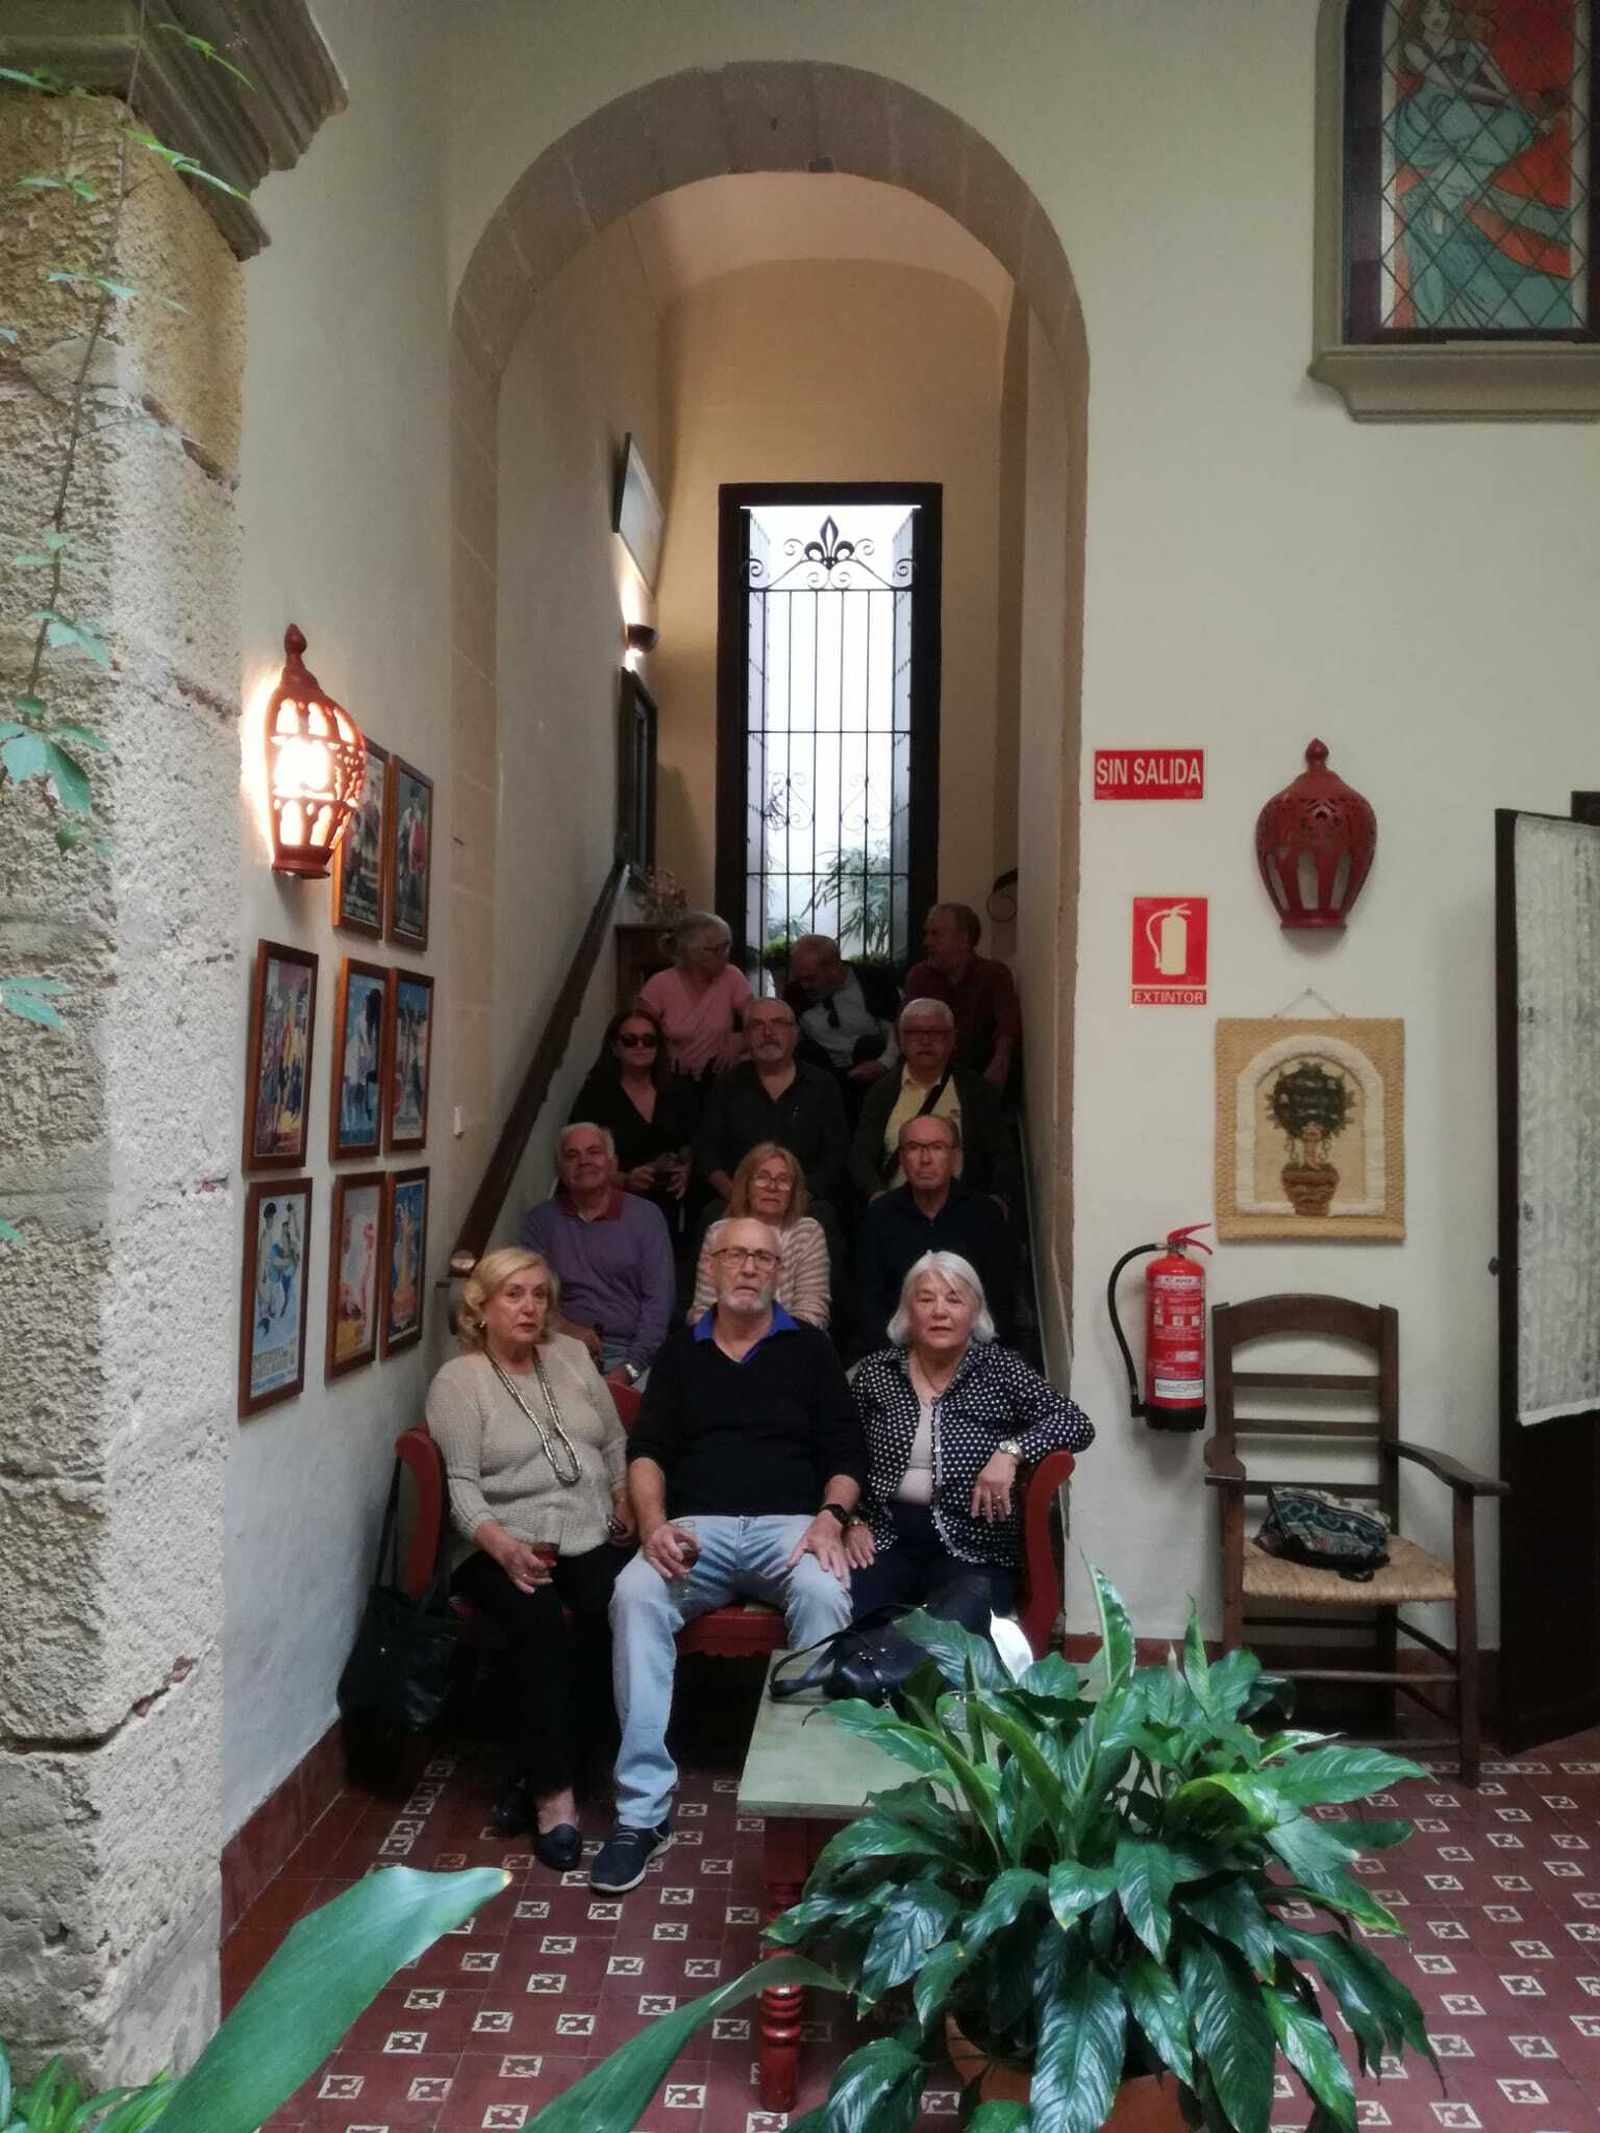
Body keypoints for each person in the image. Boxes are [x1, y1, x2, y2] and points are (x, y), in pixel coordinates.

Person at [594, 1217, 866, 1891]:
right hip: (696, 1529)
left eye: (762, 1257)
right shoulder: (682, 1354)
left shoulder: (809, 1348)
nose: (748, 1267)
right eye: (735, 1254)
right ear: (711, 1265)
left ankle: (811, 1793)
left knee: (827, 1592)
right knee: (633, 1595)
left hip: (790, 1527)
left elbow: (846, 1453)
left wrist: (831, 1519)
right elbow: (648, 1449)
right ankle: (643, 1810)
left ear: (779, 1270)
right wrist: (654, 1523)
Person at [425, 1247, 635, 1868]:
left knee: (618, 1606)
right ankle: (554, 1798)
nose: (529, 1307)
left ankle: (554, 1761)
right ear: (480, 1307)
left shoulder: (570, 1358)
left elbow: (617, 1440)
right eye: (513, 1294)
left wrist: (622, 1495)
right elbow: (460, 1486)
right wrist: (503, 1546)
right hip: (497, 1539)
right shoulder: (459, 1381)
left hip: (588, 1528)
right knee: (538, 1621)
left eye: (539, 1295)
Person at [846, 1251, 1093, 1623]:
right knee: (857, 1615)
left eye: (954, 1299)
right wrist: (850, 1521)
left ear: (975, 1313)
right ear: (906, 1313)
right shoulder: (875, 1373)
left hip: (973, 1545)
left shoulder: (1000, 1369)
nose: (939, 1311)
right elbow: (842, 1450)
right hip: (885, 1538)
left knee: (959, 1624)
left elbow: (1075, 1422)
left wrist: (1010, 1452)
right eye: (925, 1299)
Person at [519, 1122, 674, 1386]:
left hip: (632, 1354)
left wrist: (630, 1369)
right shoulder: (540, 1220)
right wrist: (565, 1328)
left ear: (613, 1164)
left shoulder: (646, 1217)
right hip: (558, 1346)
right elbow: (526, 1295)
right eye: (572, 1155)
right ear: (561, 1171)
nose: (584, 1161)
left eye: (594, 1152)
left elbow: (658, 1306)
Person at [858, 1115, 1016, 1351]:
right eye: (913, 1148)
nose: (925, 1159)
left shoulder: (984, 1215)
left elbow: (1000, 1298)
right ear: (901, 1158)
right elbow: (869, 1300)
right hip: (897, 1355)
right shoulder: (880, 1215)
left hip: (974, 1355)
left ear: (955, 1156)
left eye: (937, 1147)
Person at [849, 998, 1017, 1207]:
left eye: (936, 1033)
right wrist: (876, 1195)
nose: (925, 1041)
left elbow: (1002, 1153)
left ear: (952, 1039)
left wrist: (998, 1199)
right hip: (897, 1211)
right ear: (900, 1040)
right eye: (914, 1033)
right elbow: (861, 1155)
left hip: (962, 1211)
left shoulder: (974, 1089)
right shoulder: (882, 1091)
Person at [692, 996, 848, 1214]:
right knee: (710, 1216)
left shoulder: (822, 1085)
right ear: (745, 1037)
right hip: (738, 1201)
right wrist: (732, 1192)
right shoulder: (728, 1084)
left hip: (805, 1202)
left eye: (778, 1023)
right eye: (757, 1025)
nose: (768, 1032)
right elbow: (706, 1150)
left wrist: (801, 1196)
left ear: (795, 1034)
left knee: (825, 1218)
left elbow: (836, 1154)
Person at [568, 1006, 698, 1224]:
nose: (640, 1045)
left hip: (671, 1199)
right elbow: (577, 1154)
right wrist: (624, 1179)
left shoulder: (677, 1089)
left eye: (649, 1040)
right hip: (615, 1202)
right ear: (615, 1047)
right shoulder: (597, 1094)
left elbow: (692, 1139)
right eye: (630, 1039)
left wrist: (686, 1168)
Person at [688, 1141, 829, 1330]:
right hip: (725, 1346)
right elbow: (703, 1310)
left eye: (783, 1180)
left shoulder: (807, 1233)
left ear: (794, 1190)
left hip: (792, 1348)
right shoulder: (719, 1232)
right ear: (746, 1184)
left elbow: (812, 1312)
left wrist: (769, 1346)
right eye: (762, 1177)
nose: (772, 1187)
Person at [902, 903, 1022, 1089]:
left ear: (963, 940)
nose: (927, 942)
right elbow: (904, 1027)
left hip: (976, 1071)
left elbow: (1007, 1024)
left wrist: (1001, 1059)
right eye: (927, 934)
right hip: (928, 1068)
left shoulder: (993, 974)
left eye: (935, 934)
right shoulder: (920, 977)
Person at [784, 933, 899, 1117]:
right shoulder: (796, 993)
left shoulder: (872, 980)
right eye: (800, 979)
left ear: (833, 967)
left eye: (811, 978)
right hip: (824, 1075)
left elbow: (896, 1029)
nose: (804, 986)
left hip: (871, 1069)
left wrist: (883, 1064)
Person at [637, 911, 752, 1080]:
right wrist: (665, 1048)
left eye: (726, 946)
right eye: (714, 949)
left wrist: (740, 1040)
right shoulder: (659, 984)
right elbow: (639, 1031)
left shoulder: (732, 976)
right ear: (689, 952)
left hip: (719, 1076)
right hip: (672, 1076)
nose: (724, 955)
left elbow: (758, 1020)